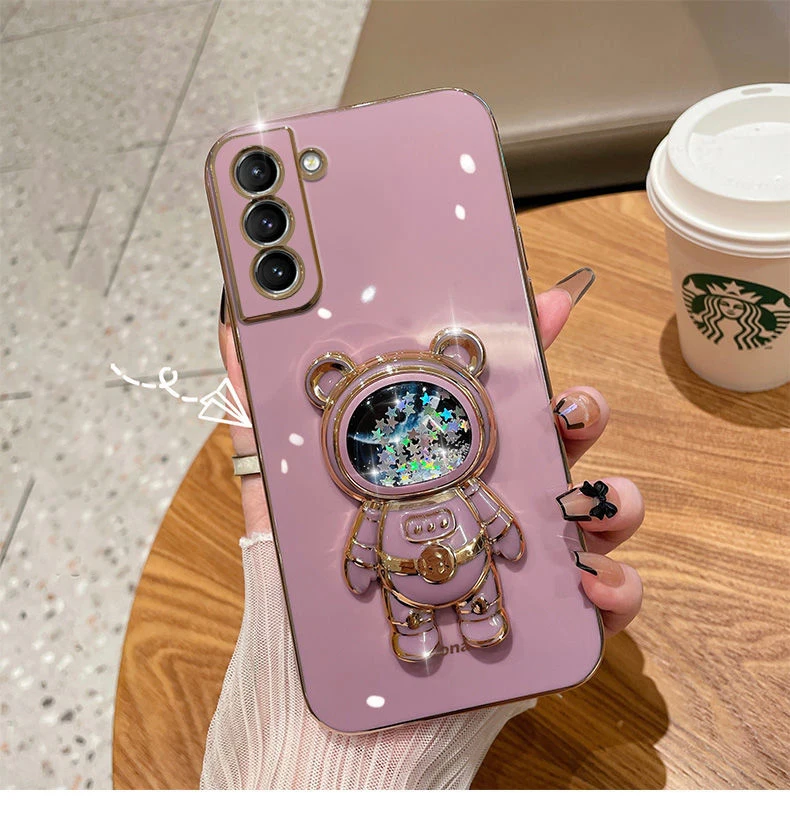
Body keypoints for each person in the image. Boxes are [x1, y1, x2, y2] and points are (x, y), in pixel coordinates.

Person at [203, 270, 644, 789]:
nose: (412, 449)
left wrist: (509, 537)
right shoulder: (379, 508)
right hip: (408, 586)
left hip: (469, 574)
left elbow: (496, 520)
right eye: (388, 442)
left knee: (485, 602)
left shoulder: (460, 490)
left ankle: (481, 619)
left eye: (429, 435)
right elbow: (364, 548)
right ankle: (419, 632)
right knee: (412, 618)